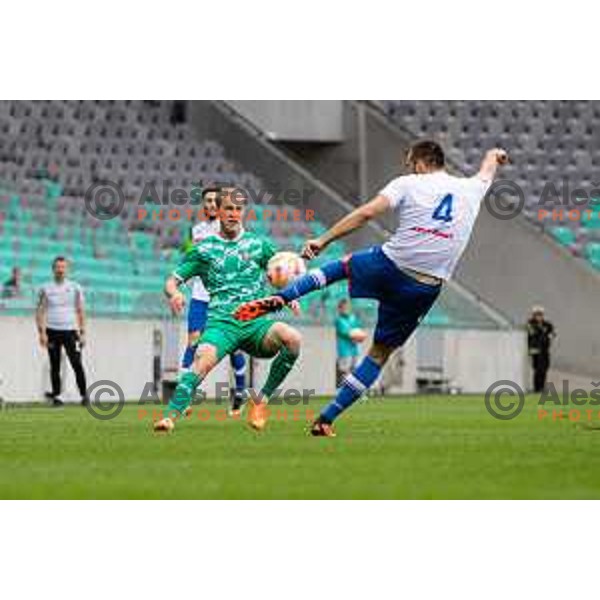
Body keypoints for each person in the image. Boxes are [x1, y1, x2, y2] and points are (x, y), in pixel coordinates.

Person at [235, 141, 509, 436]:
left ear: (419, 162)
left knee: (339, 268)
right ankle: (325, 419)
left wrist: (322, 239)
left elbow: (367, 213)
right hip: (424, 287)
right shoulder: (472, 188)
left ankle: (280, 298)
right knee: (378, 355)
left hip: (390, 264)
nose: (408, 169)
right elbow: (487, 171)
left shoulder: (408, 183)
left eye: (409, 164)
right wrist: (494, 155)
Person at [154, 187, 302, 433]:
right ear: (217, 211)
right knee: (200, 361)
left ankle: (261, 401)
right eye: (228, 209)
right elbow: (171, 281)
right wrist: (175, 293)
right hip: (222, 324)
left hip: (257, 324)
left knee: (293, 339)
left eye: (238, 209)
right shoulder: (204, 249)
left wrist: (289, 295)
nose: (234, 214)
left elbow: (281, 271)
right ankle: (169, 417)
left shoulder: (259, 245)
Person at [181, 186, 247, 414]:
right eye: (206, 201)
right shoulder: (196, 230)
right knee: (193, 342)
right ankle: (185, 395)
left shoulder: (232, 228)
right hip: (200, 295)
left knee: (233, 347)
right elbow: (190, 258)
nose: (209, 205)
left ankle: (239, 393)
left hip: (225, 297)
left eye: (213, 201)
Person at [36, 257, 88, 406]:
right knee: (55, 365)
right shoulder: (46, 288)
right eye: (57, 267)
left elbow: (80, 310)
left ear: (67, 269)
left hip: (71, 331)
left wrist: (83, 332)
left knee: (77, 363)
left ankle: (84, 395)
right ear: (53, 269)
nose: (60, 270)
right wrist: (41, 333)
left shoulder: (75, 287)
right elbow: (40, 311)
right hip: (52, 331)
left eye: (63, 267)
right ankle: (57, 397)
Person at [335, 299, 367, 386]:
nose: (345, 309)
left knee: (357, 370)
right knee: (345, 371)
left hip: (355, 348)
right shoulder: (339, 320)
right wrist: (360, 336)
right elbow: (349, 334)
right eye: (343, 307)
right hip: (344, 350)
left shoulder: (353, 318)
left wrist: (361, 335)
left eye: (347, 307)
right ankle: (345, 391)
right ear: (339, 309)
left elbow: (357, 330)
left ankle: (356, 391)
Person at [527, 306, 555, 392]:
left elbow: (552, 334)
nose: (539, 317)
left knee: (545, 368)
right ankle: (537, 388)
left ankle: (542, 387)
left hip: (545, 349)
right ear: (534, 315)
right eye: (537, 315)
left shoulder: (547, 325)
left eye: (540, 315)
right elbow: (532, 334)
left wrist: (549, 336)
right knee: (538, 369)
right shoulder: (530, 324)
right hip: (535, 350)